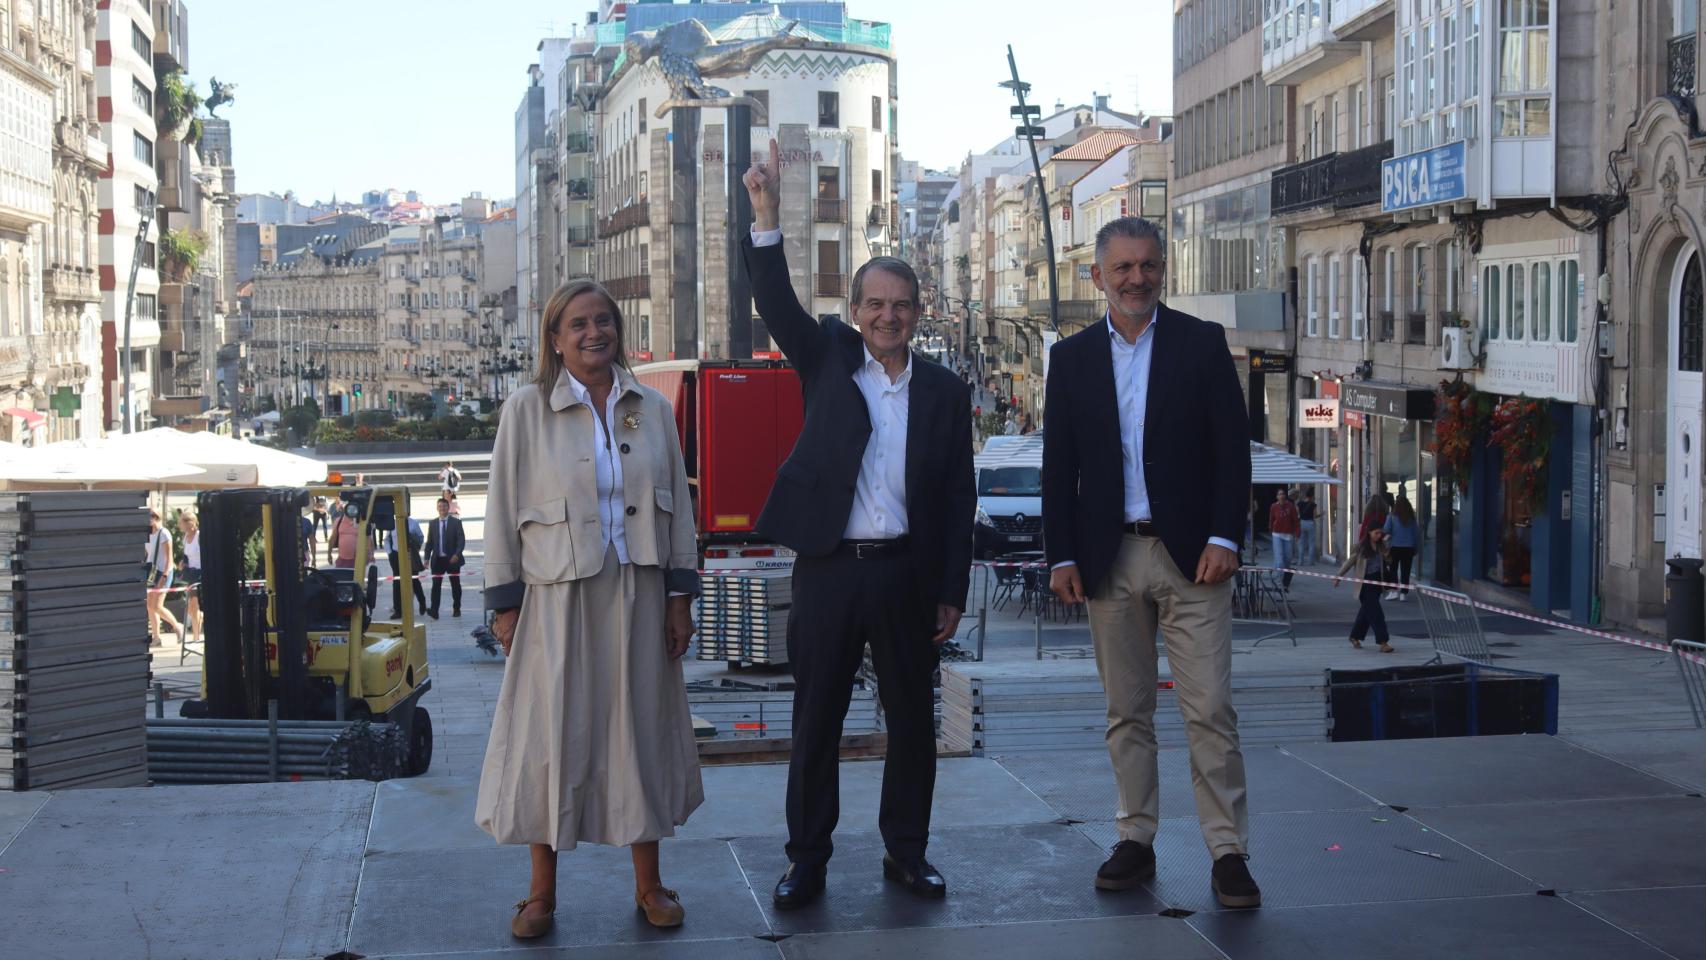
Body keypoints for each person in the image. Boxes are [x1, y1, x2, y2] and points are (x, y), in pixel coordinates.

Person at [742, 141, 975, 909]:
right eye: (874, 304)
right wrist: (766, 214)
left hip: (906, 573)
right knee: (816, 722)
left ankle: (907, 853)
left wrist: (950, 590)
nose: (887, 316)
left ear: (917, 314)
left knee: (912, 721)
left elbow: (957, 498)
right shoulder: (827, 361)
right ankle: (806, 860)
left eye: (900, 305)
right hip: (830, 570)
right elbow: (775, 300)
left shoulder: (944, 392)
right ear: (856, 312)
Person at [1042, 215, 1260, 909]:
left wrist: (1226, 536)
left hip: (1194, 558)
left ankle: (1228, 852)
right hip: (1109, 558)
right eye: (1123, 267)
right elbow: (1058, 467)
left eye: (1148, 265)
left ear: (1163, 269)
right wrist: (1062, 554)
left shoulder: (1202, 343)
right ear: (1098, 276)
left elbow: (1233, 450)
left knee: (1211, 710)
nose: (1137, 278)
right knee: (1126, 711)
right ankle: (1134, 837)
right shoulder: (1071, 359)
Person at [478, 278, 703, 939]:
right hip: (555, 596)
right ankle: (540, 894)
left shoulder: (648, 408)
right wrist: (505, 605)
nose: (593, 332)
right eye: (577, 324)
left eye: (603, 320)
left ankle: (650, 885)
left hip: (639, 590)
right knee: (550, 734)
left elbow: (678, 504)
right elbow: (500, 509)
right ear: (555, 338)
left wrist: (680, 597)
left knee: (641, 729)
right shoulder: (526, 410)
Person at [1336, 498, 1395, 652]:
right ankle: (1383, 642)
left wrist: (1387, 553)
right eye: (1376, 533)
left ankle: (1355, 636)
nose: (1378, 535)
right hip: (1364, 584)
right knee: (1376, 613)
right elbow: (1349, 562)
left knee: (1366, 612)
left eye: (1380, 533)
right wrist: (1338, 576)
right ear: (1369, 533)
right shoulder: (1361, 548)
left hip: (1377, 583)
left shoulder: (1382, 546)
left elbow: (1389, 561)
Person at [144, 509, 183, 647]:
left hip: (163, 572)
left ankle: (177, 626)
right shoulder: (147, 534)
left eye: (148, 517)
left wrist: (165, 575)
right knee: (150, 606)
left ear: (155, 518)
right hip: (152, 572)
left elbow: (169, 558)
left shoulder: (164, 533)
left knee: (157, 606)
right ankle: (156, 637)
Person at [424, 497, 466, 618]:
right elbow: (429, 542)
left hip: (452, 559)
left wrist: (457, 554)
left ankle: (456, 608)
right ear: (437, 508)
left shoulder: (456, 522)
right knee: (436, 586)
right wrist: (426, 558)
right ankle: (434, 611)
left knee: (455, 585)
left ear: (448, 508)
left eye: (444, 506)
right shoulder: (432, 523)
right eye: (440, 506)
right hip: (438, 560)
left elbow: (461, 540)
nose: (442, 508)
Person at [386, 515, 427, 619]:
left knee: (414, 580)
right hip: (396, 555)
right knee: (397, 582)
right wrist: (390, 553)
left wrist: (415, 549)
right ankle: (398, 610)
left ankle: (422, 602)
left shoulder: (413, 523)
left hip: (410, 555)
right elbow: (387, 539)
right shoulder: (392, 523)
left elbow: (420, 537)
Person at [1381, 495, 1420, 601]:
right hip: (1409, 548)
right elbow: (1416, 534)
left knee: (1393, 569)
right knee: (1405, 571)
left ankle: (1394, 591)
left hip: (1395, 547)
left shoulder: (1392, 516)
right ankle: (1403, 593)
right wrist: (1416, 547)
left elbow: (1386, 529)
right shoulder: (1411, 518)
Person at [178, 513, 203, 651]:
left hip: (200, 574)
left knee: (194, 605)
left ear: (190, 522)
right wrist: (183, 563)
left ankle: (196, 637)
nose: (180, 525)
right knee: (192, 607)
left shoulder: (199, 536)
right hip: (191, 574)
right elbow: (187, 557)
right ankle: (197, 631)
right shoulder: (185, 538)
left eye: (181, 522)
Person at [1267, 489, 1299, 590]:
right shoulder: (1274, 506)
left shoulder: (1291, 507)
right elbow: (1271, 518)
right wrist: (1270, 528)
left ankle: (1282, 575)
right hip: (1277, 534)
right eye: (1279, 494)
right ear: (1277, 497)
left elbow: (1295, 520)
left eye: (1283, 494)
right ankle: (1278, 581)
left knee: (1288, 558)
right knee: (1279, 559)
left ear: (1285, 496)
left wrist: (1297, 532)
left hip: (1288, 535)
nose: (1281, 496)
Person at [1296, 488, 1318, 565]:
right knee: (1311, 543)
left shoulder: (1299, 503)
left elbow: (1297, 514)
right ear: (1312, 496)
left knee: (1301, 543)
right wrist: (1321, 514)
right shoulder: (1313, 505)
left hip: (1302, 523)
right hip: (1310, 523)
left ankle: (1300, 561)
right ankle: (1311, 561)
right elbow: (1315, 516)